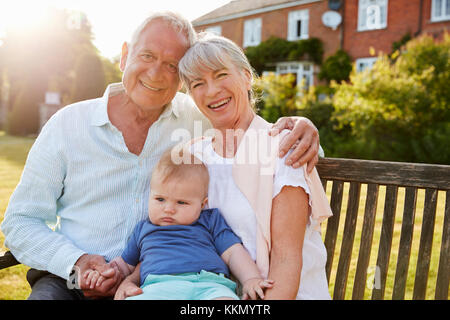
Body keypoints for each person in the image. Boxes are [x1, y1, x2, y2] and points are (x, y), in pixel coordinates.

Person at [1, 12, 321, 300]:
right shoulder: (67, 125)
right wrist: (76, 262)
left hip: (160, 283)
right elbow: (20, 222)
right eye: (147, 55)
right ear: (125, 55)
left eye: (171, 65)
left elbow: (250, 126)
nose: (156, 74)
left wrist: (305, 130)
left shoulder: (193, 119)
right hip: (71, 279)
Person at [83, 149, 274, 300]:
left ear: (202, 204)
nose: (169, 209)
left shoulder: (210, 220)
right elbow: (125, 265)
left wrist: (250, 279)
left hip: (210, 285)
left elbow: (233, 252)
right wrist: (105, 274)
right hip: (158, 288)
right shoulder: (144, 229)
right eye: (160, 199)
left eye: (181, 202)